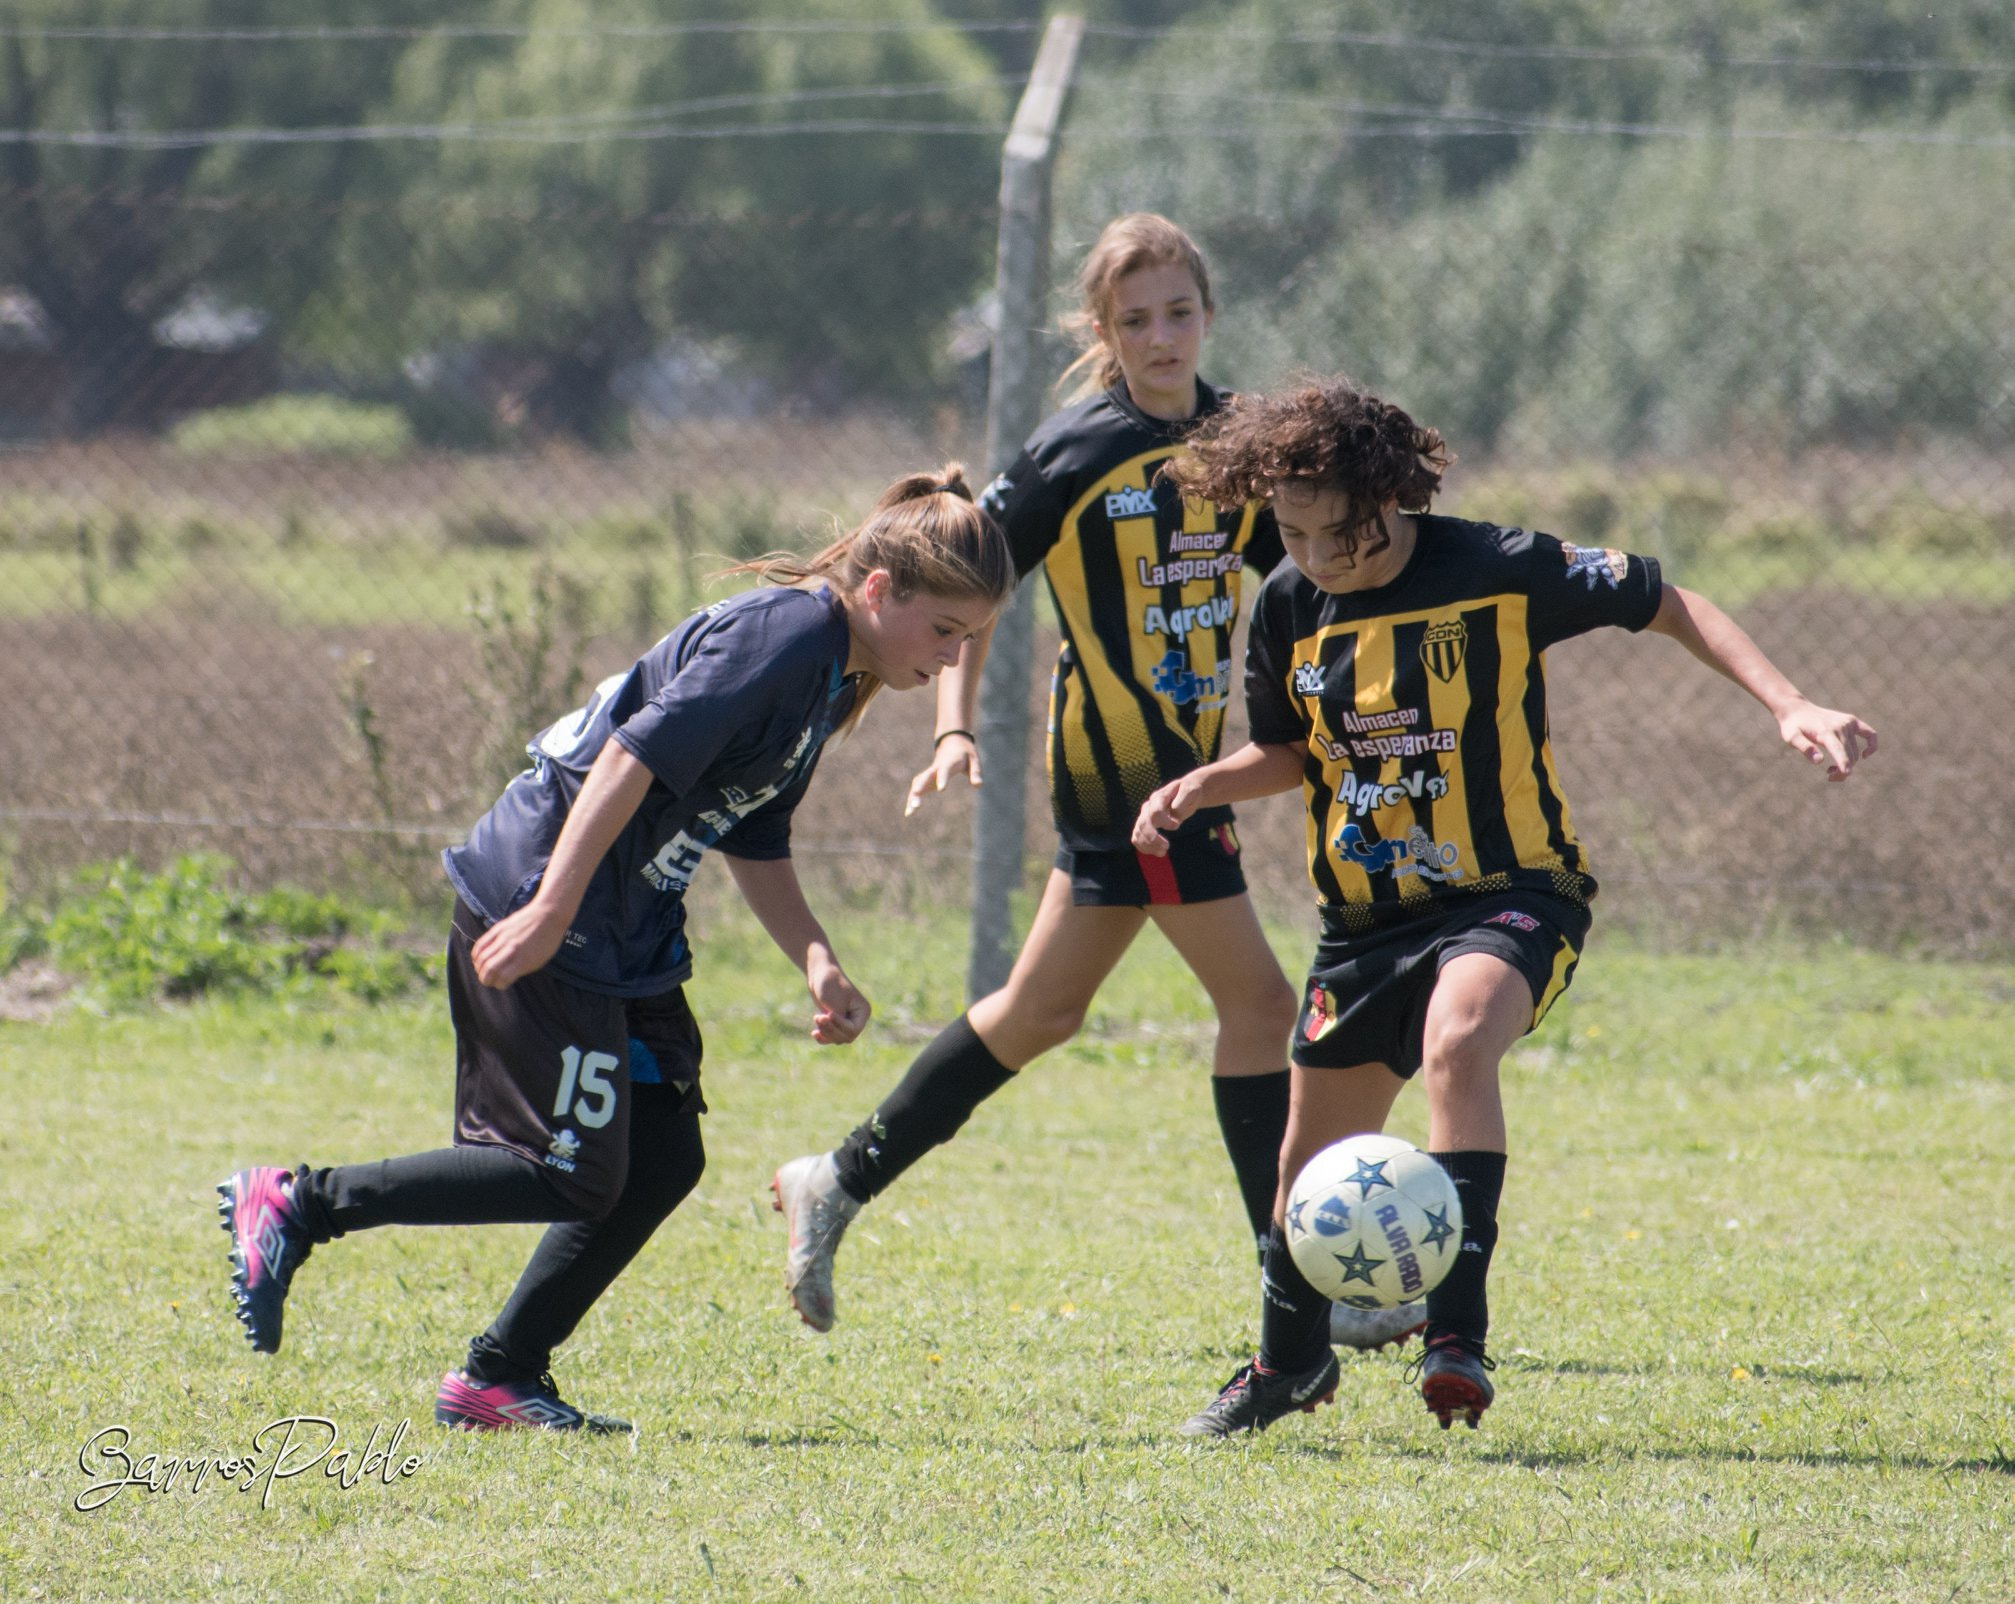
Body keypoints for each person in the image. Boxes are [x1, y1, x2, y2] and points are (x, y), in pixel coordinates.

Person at [1133, 375, 1877, 1438]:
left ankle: (1454, 1336)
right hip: (1362, 925)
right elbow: (1287, 750)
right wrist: (1204, 782)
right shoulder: (1288, 606)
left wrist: (1787, 701)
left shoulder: (1496, 568)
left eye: (1320, 531)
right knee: (1301, 1171)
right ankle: (1285, 1365)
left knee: (1459, 1034)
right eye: (1283, 531)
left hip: (1512, 893)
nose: (1301, 553)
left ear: (1382, 502)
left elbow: (1666, 599)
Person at [217, 467, 1014, 1432]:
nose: (950, 658)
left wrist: (815, 956)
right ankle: (298, 1203)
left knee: (664, 1153)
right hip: (554, 897)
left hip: (623, 918)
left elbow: (749, 829)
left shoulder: (832, 669)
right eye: (945, 632)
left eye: (968, 642)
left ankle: (499, 1378)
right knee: (567, 1169)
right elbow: (633, 753)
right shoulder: (789, 636)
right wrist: (553, 902)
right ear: (882, 589)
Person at [769, 215, 1428, 1355]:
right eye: (1134, 320)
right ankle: (1302, 1280)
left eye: (1178, 313)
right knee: (1263, 1011)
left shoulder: (1244, 441)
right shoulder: (1074, 450)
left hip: (1182, 766)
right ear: (1101, 330)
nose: (1160, 336)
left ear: (1208, 315)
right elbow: (972, 577)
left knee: (1039, 1012)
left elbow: (1307, 575)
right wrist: (953, 723)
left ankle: (834, 1177)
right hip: (1118, 770)